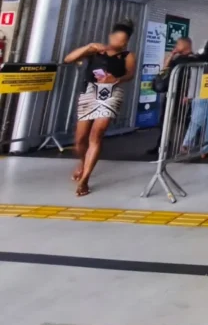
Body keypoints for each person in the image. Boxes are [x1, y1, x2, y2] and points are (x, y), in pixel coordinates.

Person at [65, 20, 137, 196]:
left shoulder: (127, 55)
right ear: (110, 36)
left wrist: (116, 79)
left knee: (96, 134)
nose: (120, 43)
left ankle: (85, 180)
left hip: (112, 93)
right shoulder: (95, 50)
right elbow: (69, 59)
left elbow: (130, 74)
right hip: (89, 91)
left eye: (124, 41)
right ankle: (83, 162)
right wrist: (88, 47)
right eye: (118, 38)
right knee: (80, 139)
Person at [147, 37, 195, 155]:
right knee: (164, 120)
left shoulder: (193, 60)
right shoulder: (177, 59)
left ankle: (185, 145)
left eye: (178, 44)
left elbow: (193, 79)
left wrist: (189, 94)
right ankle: (162, 145)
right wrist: (171, 55)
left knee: (183, 121)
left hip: (183, 95)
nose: (176, 46)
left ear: (185, 45)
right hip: (171, 93)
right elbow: (166, 68)